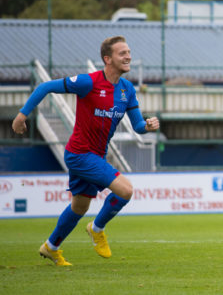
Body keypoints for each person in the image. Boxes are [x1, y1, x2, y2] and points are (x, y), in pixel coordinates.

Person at [12, 36, 160, 265]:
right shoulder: (87, 82)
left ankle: (51, 247)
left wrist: (148, 127)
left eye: (129, 51)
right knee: (126, 191)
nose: (128, 56)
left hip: (95, 155)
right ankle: (97, 228)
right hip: (80, 154)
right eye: (122, 53)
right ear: (107, 59)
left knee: (79, 206)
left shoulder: (127, 90)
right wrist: (22, 115)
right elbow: (45, 86)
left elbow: (138, 126)